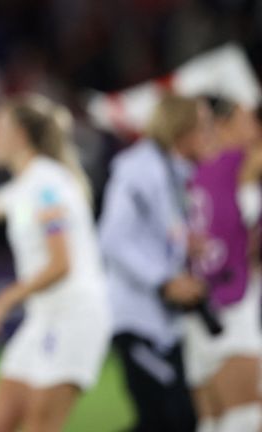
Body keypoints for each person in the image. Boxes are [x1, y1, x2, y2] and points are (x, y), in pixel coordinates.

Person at [0, 94, 111, 432]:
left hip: (75, 315)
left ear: (21, 135)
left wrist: (4, 301)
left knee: (41, 424)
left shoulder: (48, 184)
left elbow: (61, 264)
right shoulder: (28, 185)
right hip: (44, 317)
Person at [98, 94, 213, 432]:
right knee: (169, 419)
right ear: (182, 129)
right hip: (137, 320)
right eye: (203, 126)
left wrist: (184, 245)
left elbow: (148, 231)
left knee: (177, 420)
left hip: (163, 325)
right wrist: (165, 280)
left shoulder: (170, 170)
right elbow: (113, 237)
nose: (209, 133)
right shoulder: (140, 168)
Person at [183, 96, 262, 432]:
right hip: (235, 300)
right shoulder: (242, 161)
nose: (255, 128)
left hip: (199, 307)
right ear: (224, 124)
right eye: (247, 119)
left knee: (213, 423)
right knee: (245, 420)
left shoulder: (187, 170)